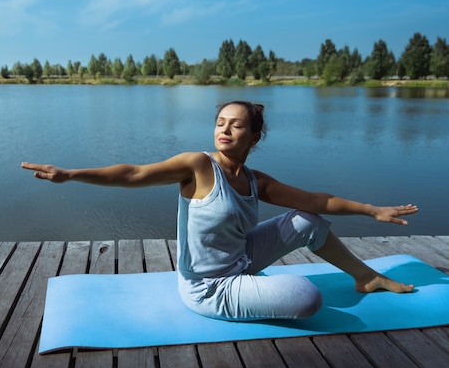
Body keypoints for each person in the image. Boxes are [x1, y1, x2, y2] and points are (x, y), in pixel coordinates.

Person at [21, 100, 417, 321]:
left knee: (309, 220)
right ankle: (255, 287)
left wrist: (371, 210)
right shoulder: (197, 166)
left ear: (254, 136)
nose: (225, 129)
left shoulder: (256, 180)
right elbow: (134, 173)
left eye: (237, 125)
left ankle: (366, 277)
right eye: (220, 122)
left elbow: (316, 201)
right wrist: (71, 174)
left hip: (242, 260)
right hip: (208, 287)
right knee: (306, 297)